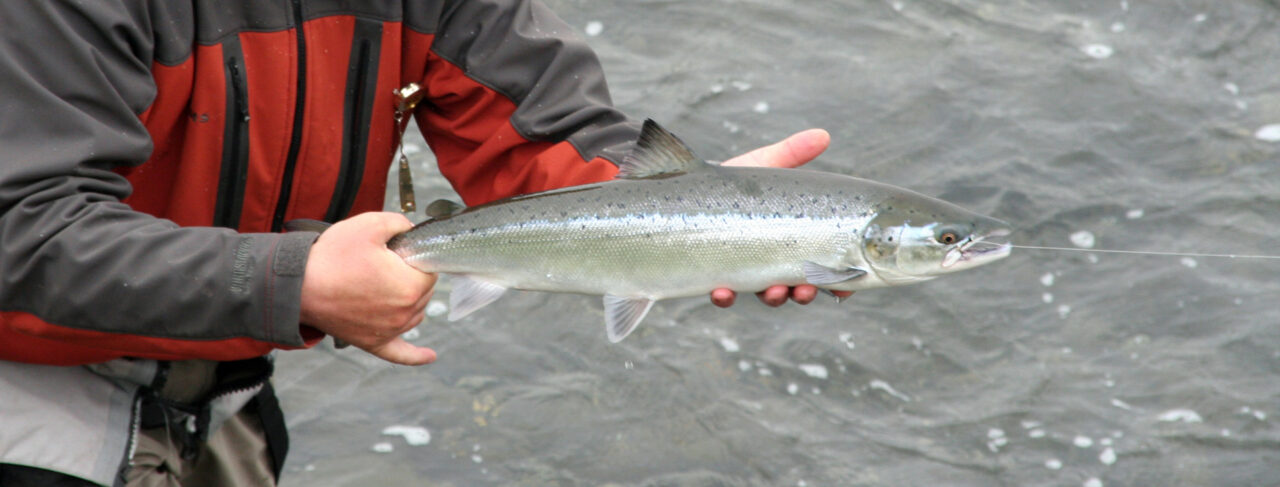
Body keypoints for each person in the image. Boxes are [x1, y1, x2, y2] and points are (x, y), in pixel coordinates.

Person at [0, 1, 847, 486]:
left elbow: (539, 145)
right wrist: (288, 281)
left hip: (220, 388)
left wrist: (697, 212)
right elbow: (19, 229)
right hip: (27, 389)